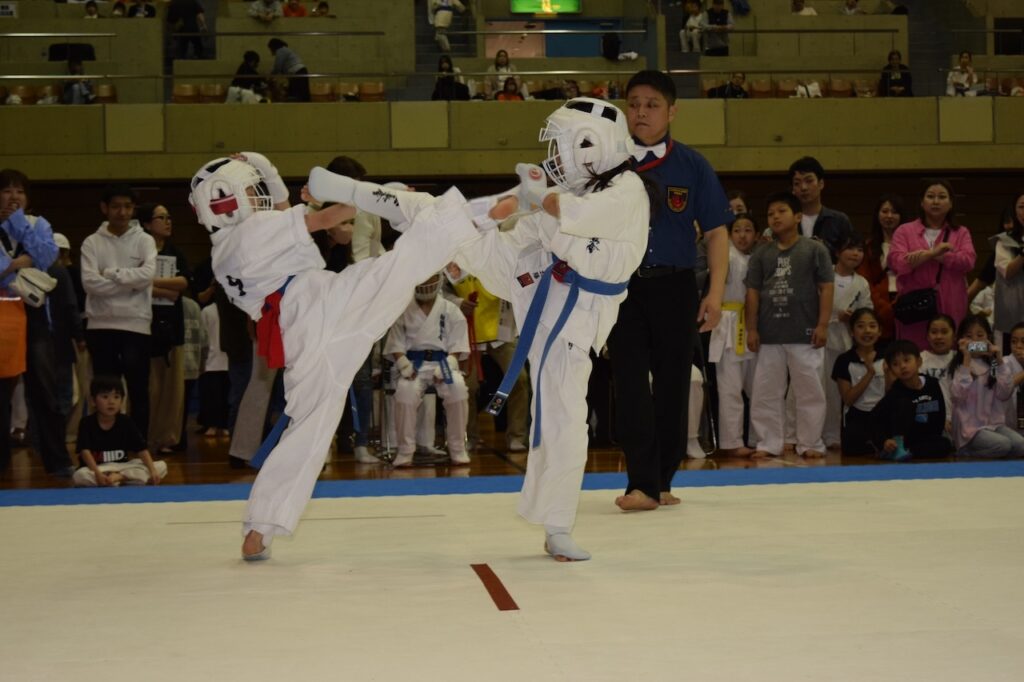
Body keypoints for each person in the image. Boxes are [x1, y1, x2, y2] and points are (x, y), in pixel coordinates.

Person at [317, 98, 652, 561]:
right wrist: (474, 245)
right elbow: (522, 229)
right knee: (451, 219)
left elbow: (559, 212)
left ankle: (557, 524)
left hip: (577, 311)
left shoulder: (628, 189)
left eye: (563, 145)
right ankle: (372, 196)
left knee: (564, 417)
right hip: (535, 277)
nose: (556, 155)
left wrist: (533, 197)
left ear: (592, 145)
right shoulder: (570, 188)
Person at [193, 152, 489, 560]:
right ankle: (459, 218)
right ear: (233, 200)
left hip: (298, 334)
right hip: (317, 303)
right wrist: (380, 196)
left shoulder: (224, 250)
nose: (260, 196)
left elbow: (284, 207)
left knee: (310, 428)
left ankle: (260, 527)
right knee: (394, 272)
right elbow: (330, 218)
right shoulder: (254, 229)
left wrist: (266, 168)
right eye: (252, 189)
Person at [610, 69, 729, 510]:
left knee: (674, 384)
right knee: (629, 384)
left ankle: (661, 479)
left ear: (672, 111)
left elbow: (716, 232)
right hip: (622, 288)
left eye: (652, 104)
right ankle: (640, 482)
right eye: (634, 104)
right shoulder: (608, 163)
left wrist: (714, 294)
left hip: (677, 286)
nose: (641, 112)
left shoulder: (692, 165)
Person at [743, 191, 834, 459]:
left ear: (797, 216)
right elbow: (752, 292)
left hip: (805, 332)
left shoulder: (814, 249)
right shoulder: (761, 253)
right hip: (769, 333)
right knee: (765, 392)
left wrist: (823, 324)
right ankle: (768, 443)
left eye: (781, 211)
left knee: (809, 391)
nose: (775, 217)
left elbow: (826, 287)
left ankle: (810, 442)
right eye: (770, 214)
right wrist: (752, 329)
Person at [0, 169, 71, 477]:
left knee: (44, 389)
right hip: (3, 313)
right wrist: (20, 262)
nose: (14, 196)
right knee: (1, 392)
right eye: (7, 191)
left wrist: (17, 223)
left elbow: (47, 256)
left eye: (20, 191)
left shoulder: (37, 223)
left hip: (35, 314)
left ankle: (57, 461)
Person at [80, 184, 156, 441]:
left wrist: (111, 274)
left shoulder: (144, 240)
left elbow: (147, 276)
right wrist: (130, 282)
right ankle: (106, 445)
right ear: (105, 208)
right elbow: (90, 283)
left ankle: (139, 445)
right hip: (100, 325)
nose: (122, 212)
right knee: (104, 391)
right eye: (116, 206)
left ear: (133, 209)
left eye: (127, 206)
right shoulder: (92, 242)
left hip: (137, 324)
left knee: (138, 389)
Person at [384, 272, 471, 467]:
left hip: (443, 363)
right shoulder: (403, 309)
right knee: (405, 393)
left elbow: (458, 346)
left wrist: (448, 365)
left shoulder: (451, 310)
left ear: (438, 279)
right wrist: (403, 365)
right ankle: (405, 451)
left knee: (458, 389)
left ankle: (458, 449)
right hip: (413, 364)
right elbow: (395, 345)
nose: (425, 281)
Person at [444, 263, 529, 452]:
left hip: (502, 329)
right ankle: (470, 436)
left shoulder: (499, 252)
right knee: (467, 386)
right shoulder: (453, 256)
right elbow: (442, 292)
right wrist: (458, 303)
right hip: (468, 330)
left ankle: (517, 436)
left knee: (520, 380)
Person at [889, 179, 976, 349]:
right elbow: (897, 262)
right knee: (912, 351)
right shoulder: (904, 230)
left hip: (951, 301)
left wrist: (938, 257)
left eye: (942, 197)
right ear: (922, 202)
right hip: (915, 305)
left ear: (950, 203)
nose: (936, 201)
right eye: (930, 196)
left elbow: (968, 261)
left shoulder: (960, 232)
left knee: (951, 350)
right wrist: (933, 253)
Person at [139, 203, 191, 453]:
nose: (168, 221)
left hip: (172, 327)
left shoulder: (175, 252)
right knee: (150, 387)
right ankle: (145, 437)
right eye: (161, 217)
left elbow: (183, 282)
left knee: (173, 389)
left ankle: (167, 439)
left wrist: (152, 282)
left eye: (169, 217)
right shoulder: (139, 251)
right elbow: (134, 283)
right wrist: (162, 290)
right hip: (144, 326)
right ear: (147, 224)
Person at [709, 213, 758, 455]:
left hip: (752, 324)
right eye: (737, 230)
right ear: (729, 235)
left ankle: (761, 438)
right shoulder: (726, 256)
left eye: (748, 230)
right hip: (727, 323)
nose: (742, 235)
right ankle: (732, 442)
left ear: (756, 235)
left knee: (757, 387)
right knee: (730, 386)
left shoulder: (757, 259)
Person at [948, 314, 1024, 458]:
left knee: (1020, 446)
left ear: (988, 337)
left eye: (980, 335)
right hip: (970, 429)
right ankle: (965, 452)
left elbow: (1004, 393)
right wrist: (966, 357)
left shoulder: (992, 364)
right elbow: (958, 395)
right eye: (969, 336)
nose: (975, 340)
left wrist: (999, 360)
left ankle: (994, 455)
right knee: (1003, 445)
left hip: (993, 424)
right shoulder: (959, 365)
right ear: (960, 339)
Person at [823, 233, 872, 449]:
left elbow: (867, 312)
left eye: (860, 250)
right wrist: (835, 316)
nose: (855, 254)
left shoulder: (862, 283)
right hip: (821, 340)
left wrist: (854, 319)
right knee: (817, 389)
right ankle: (801, 435)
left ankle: (834, 436)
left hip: (847, 343)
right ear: (837, 252)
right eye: (850, 248)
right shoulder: (823, 275)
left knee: (838, 393)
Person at [73, 376, 167, 486]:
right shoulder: (86, 423)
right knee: (80, 475)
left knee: (161, 466)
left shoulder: (126, 421)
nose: (111, 402)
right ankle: (121, 479)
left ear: (122, 400)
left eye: (116, 397)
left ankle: (119, 478)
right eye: (105, 397)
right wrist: (97, 473)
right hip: (98, 468)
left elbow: (141, 449)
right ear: (93, 401)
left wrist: (153, 471)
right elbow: (85, 452)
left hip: (121, 467)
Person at [872, 340, 952, 460]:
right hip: (903, 438)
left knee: (944, 444)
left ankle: (908, 452)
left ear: (919, 362)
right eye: (895, 364)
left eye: (906, 360)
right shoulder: (895, 392)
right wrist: (884, 441)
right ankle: (897, 449)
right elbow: (875, 419)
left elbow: (940, 414)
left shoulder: (932, 384)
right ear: (891, 369)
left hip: (925, 438)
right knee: (904, 404)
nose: (902, 366)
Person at [831, 307, 886, 455]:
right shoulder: (844, 360)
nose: (867, 331)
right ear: (852, 332)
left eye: (872, 326)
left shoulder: (887, 357)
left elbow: (893, 393)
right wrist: (869, 373)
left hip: (883, 416)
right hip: (857, 418)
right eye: (860, 326)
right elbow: (848, 399)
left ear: (880, 331)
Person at [857, 194, 906, 344]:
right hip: (878, 304)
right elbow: (864, 279)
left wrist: (899, 303)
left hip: (905, 302)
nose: (889, 216)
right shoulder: (868, 246)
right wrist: (884, 308)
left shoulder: (911, 245)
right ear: (877, 215)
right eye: (884, 211)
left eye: (894, 212)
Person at [788, 156, 853, 261]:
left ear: (821, 183)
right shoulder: (787, 221)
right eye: (797, 183)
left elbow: (851, 257)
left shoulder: (839, 220)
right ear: (793, 190)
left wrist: (824, 249)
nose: (803, 187)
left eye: (809, 181)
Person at [992, 192, 1024, 350]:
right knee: (1007, 359)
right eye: (1022, 207)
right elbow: (1007, 272)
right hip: (1011, 316)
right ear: (1015, 210)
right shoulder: (1005, 241)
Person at [920, 313, 956, 432]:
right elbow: (918, 398)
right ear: (927, 336)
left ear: (954, 336)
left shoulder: (961, 357)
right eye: (934, 332)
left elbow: (988, 348)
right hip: (931, 421)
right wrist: (939, 419)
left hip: (962, 420)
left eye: (944, 332)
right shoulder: (919, 360)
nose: (939, 337)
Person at [268, 38, 310, 102]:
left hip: (297, 73)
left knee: (296, 95)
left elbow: (278, 66)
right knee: (302, 93)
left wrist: (270, 77)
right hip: (300, 71)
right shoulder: (285, 50)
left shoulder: (280, 51)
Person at [1002, 322, 1024, 434]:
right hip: (1008, 427)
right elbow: (1005, 387)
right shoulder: (1004, 362)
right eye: (1014, 341)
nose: (1018, 346)